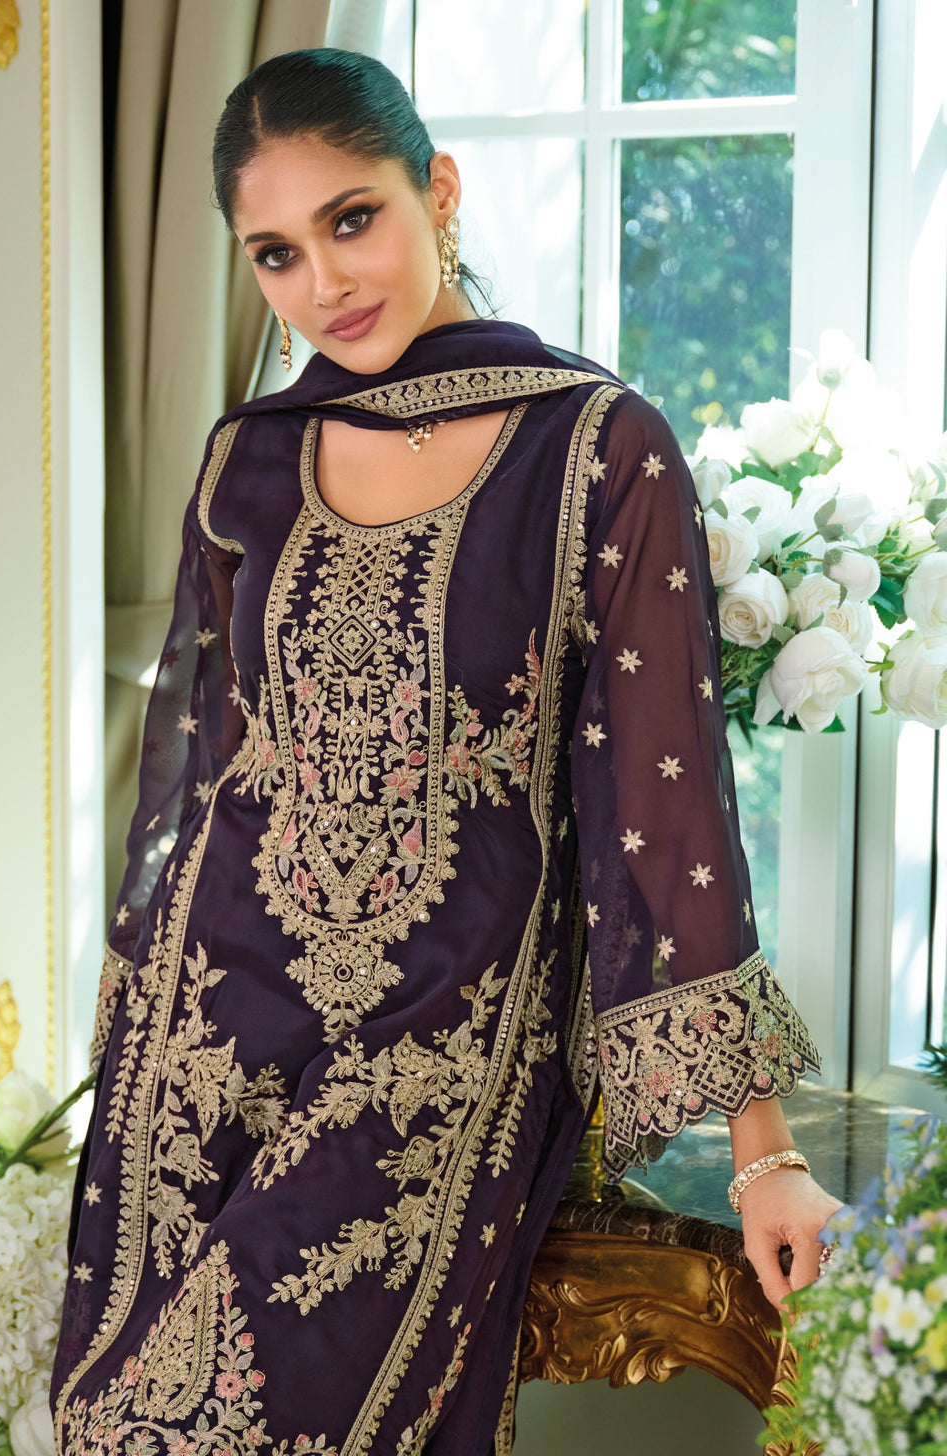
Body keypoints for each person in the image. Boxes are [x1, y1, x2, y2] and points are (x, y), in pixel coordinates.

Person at [51, 47, 841, 1456]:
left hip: (438, 1042)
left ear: (441, 190)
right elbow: (203, 772)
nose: (323, 285)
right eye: (276, 254)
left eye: (354, 219)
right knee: (119, 1420)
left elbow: (662, 814)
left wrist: (762, 1152)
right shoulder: (253, 454)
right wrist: (126, 1040)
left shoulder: (598, 448)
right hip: (210, 1039)